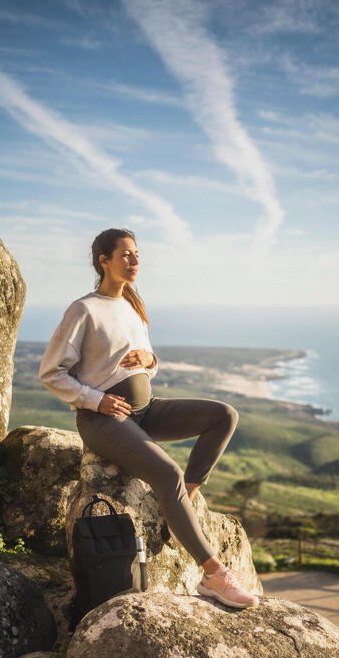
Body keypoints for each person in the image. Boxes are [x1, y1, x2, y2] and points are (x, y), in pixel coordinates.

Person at [38, 228, 259, 609]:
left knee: (223, 415)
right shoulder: (84, 309)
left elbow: (148, 362)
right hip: (103, 421)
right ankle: (213, 575)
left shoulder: (132, 307)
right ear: (103, 260)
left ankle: (184, 499)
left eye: (136, 254)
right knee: (165, 473)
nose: (134, 260)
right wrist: (95, 400)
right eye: (125, 254)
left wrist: (149, 360)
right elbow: (51, 372)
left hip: (146, 410)